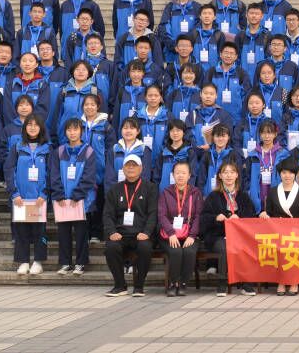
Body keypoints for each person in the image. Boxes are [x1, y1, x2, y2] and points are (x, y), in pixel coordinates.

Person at [199, 160, 258, 297]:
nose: (229, 175)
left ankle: (246, 283)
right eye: (225, 172)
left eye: (232, 172)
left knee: (245, 245)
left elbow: (251, 215)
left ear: (237, 175)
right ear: (220, 176)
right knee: (224, 247)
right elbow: (204, 218)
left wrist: (239, 217)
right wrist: (216, 217)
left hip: (240, 235)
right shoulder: (213, 196)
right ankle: (222, 283)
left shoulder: (243, 196)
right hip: (218, 235)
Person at [103, 154, 159, 297]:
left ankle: (139, 286)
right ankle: (120, 285)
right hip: (120, 233)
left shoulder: (150, 188)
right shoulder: (115, 189)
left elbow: (153, 213)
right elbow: (107, 215)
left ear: (141, 168)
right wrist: (112, 232)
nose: (131, 168)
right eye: (128, 165)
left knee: (145, 247)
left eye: (134, 165)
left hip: (141, 233)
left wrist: (147, 232)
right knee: (111, 247)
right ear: (123, 169)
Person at [48, 118, 99, 275]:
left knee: (81, 234)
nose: (72, 133)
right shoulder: (59, 151)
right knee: (63, 233)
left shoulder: (88, 151)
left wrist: (77, 195)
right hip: (62, 201)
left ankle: (80, 263)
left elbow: (89, 176)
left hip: (81, 201)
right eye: (69, 130)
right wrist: (59, 194)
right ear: (65, 132)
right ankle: (65, 263)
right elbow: (54, 174)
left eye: (75, 129)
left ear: (81, 131)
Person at [5, 115, 50, 276]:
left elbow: (52, 173)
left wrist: (44, 193)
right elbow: (9, 170)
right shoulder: (17, 147)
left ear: (41, 128)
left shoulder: (48, 149)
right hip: (21, 199)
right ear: (25, 128)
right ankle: (23, 261)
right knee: (21, 231)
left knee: (39, 231)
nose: (32, 127)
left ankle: (38, 261)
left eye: (36, 125)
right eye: (29, 125)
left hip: (39, 199)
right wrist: (14, 193)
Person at [261, 157, 299, 295]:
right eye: (284, 172)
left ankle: (294, 281)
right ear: (280, 174)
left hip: (296, 232)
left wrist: (293, 228)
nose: (287, 176)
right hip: (277, 232)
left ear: (295, 174)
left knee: (292, 245)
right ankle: (281, 281)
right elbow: (269, 213)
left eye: (290, 173)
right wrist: (264, 214)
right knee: (279, 246)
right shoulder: (273, 191)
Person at [158, 160, 203, 297]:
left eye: (184, 173)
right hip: (169, 234)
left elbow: (198, 215)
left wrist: (192, 235)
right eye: (177, 173)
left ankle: (183, 283)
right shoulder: (166, 192)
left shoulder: (195, 192)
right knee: (176, 251)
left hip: (190, 234)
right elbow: (162, 215)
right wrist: (171, 233)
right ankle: (173, 283)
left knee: (189, 251)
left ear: (189, 175)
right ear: (173, 175)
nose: (180, 176)